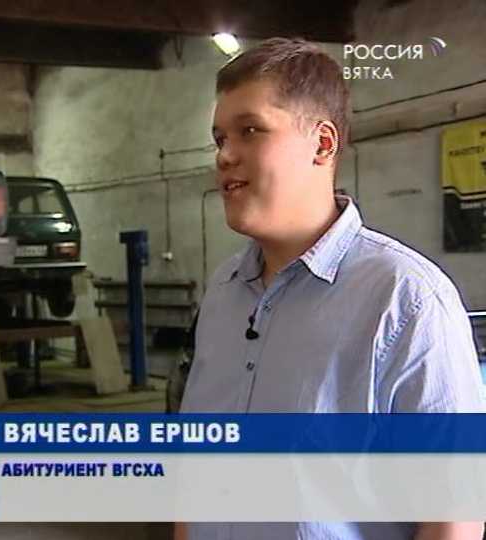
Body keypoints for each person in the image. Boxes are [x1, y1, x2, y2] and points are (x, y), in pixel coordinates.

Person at [176, 37, 485, 540]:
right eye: (219, 138)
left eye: (250, 130)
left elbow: (453, 520)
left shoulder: (405, 301)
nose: (225, 155)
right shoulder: (223, 294)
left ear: (322, 144)